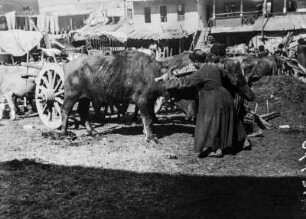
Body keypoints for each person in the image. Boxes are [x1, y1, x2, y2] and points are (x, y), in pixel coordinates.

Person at [157, 49, 235, 158]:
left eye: (193, 63)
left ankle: (215, 150)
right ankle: (221, 146)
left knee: (208, 123)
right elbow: (229, 78)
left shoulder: (201, 73)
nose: (192, 65)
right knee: (217, 122)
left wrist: (164, 84)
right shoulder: (215, 66)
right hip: (224, 95)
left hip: (213, 98)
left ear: (197, 62)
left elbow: (184, 82)